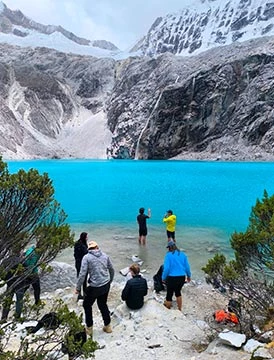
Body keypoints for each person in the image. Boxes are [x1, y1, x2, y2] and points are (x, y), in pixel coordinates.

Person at [75, 240, 114, 337]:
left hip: (95, 286)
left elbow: (82, 274)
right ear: (97, 247)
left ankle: (89, 328)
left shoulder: (87, 258)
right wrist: (110, 280)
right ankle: (107, 326)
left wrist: (78, 288)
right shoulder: (105, 255)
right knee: (102, 304)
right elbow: (112, 269)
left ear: (89, 249)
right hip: (105, 284)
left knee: (87, 305)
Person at [162, 240, 191, 311]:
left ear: (169, 248)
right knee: (178, 292)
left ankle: (167, 308)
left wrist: (163, 277)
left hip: (171, 277)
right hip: (181, 277)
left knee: (169, 293)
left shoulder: (168, 255)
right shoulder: (183, 254)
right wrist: (189, 276)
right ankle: (179, 309)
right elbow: (187, 267)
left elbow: (166, 268)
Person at [74, 232, 88, 300]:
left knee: (79, 278)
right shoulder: (83, 245)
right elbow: (86, 253)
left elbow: (75, 254)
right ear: (84, 237)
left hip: (77, 263)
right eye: (86, 237)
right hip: (83, 264)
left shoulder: (77, 243)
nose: (87, 238)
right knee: (84, 279)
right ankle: (85, 295)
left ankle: (79, 294)